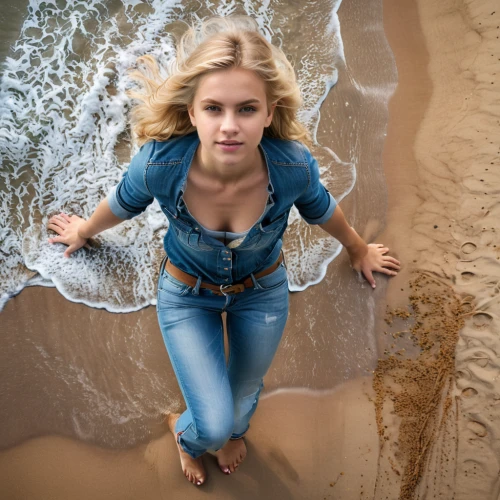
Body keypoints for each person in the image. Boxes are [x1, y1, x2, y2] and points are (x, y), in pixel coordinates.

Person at [46, 16, 400, 487]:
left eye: (247, 109)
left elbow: (321, 210)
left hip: (262, 293)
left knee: (241, 404)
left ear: (269, 112)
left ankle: (229, 431)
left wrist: (357, 250)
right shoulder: (160, 165)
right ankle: (185, 437)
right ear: (191, 112)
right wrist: (84, 230)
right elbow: (123, 204)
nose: (229, 127)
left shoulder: (291, 167)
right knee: (211, 425)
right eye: (214, 108)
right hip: (187, 295)